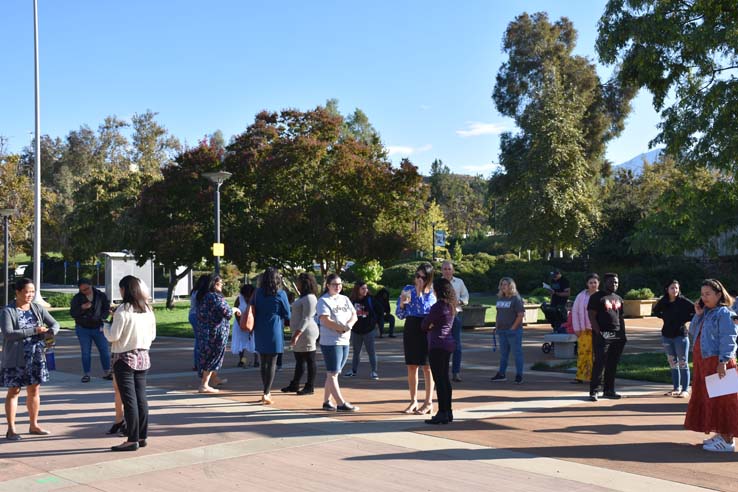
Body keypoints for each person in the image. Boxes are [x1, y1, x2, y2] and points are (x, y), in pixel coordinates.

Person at [1, 278, 60, 441]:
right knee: (14, 391)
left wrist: (50, 331)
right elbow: (8, 333)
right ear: (18, 292)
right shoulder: (8, 310)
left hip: (36, 355)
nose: (30, 295)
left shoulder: (37, 308)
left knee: (34, 390)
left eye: (32, 291)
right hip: (16, 357)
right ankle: (11, 429)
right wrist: (34, 330)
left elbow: (55, 323)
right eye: (27, 291)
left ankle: (34, 425)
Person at [684, 279, 738, 452]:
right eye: (702, 294)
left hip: (717, 362)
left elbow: (729, 337)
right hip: (704, 362)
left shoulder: (723, 313)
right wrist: (698, 314)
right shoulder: (707, 312)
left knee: (723, 400)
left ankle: (727, 440)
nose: (704, 297)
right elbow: (692, 331)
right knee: (711, 399)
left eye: (708, 294)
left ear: (718, 294)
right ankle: (721, 434)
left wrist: (723, 361)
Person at [103, 275, 156, 451]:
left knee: (129, 400)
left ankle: (131, 439)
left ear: (125, 290)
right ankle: (142, 436)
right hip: (143, 356)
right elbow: (153, 335)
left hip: (124, 358)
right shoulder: (147, 309)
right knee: (141, 398)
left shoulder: (122, 310)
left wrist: (105, 324)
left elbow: (113, 336)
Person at [396, 263, 437, 415]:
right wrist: (401, 303)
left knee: (427, 367)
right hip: (411, 327)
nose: (419, 279)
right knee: (411, 366)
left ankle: (428, 402)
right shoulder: (407, 289)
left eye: (423, 277)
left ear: (428, 278)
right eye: (417, 276)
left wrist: (419, 293)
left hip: (426, 329)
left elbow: (425, 311)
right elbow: (400, 314)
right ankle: (413, 401)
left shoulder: (432, 293)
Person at [317, 273, 359, 412]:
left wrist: (348, 326)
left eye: (340, 284)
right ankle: (340, 403)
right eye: (334, 284)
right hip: (330, 341)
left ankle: (326, 401)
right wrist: (340, 328)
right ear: (327, 285)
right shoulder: (323, 301)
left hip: (345, 340)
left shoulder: (345, 299)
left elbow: (354, 314)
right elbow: (325, 320)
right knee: (333, 372)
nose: (338, 287)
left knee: (334, 372)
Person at [251, 267, 290, 404]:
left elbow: (252, 307)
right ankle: (267, 392)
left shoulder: (257, 293)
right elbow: (287, 314)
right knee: (272, 362)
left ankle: (265, 391)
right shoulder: (281, 294)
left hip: (260, 328)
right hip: (274, 328)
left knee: (263, 362)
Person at [422, 277, 457, 425]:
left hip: (437, 344)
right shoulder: (451, 306)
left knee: (439, 379)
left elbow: (424, 325)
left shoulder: (438, 306)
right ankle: (448, 411)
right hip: (448, 343)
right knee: (445, 379)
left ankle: (442, 412)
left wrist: (429, 326)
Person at [652, 280, 695, 398]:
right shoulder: (664, 301)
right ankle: (676, 388)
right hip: (666, 336)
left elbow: (695, 310)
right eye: (672, 288)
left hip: (680, 336)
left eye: (676, 288)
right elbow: (656, 311)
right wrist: (664, 317)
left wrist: (686, 319)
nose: (675, 290)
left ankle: (685, 389)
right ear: (667, 289)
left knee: (683, 363)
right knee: (672, 363)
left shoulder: (683, 301)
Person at [196, 275, 239, 394]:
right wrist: (235, 309)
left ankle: (214, 379)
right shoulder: (214, 297)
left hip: (205, 331)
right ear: (214, 284)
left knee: (208, 356)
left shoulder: (203, 296)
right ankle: (204, 385)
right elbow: (227, 313)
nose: (222, 285)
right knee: (213, 357)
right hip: (216, 333)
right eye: (221, 283)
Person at [587, 273, 626, 402]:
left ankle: (609, 390)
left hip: (617, 334)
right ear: (605, 283)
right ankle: (594, 391)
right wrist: (598, 333)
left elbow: (620, 318)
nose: (614, 284)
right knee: (599, 362)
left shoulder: (619, 298)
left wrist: (623, 335)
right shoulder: (597, 297)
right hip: (603, 333)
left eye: (616, 282)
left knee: (612, 363)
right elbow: (592, 316)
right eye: (612, 282)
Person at [281, 273, 319, 395]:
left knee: (310, 359)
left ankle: (310, 386)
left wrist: (296, 335)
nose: (297, 283)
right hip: (300, 332)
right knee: (299, 360)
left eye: (298, 281)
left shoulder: (310, 298)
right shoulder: (303, 297)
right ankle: (295, 384)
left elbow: (307, 318)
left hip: (306, 333)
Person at [70, 278, 113, 383]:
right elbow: (73, 313)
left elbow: (106, 309)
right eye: (82, 290)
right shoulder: (77, 298)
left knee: (104, 351)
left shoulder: (100, 295)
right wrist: (82, 308)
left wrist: (102, 318)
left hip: (98, 327)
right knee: (85, 352)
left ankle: (108, 372)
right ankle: (86, 374)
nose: (85, 291)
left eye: (87, 288)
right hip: (83, 328)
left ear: (91, 285)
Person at [491, 277, 525, 384]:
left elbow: (520, 315)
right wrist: (496, 326)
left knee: (517, 353)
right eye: (502, 284)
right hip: (502, 331)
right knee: (503, 354)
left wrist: (513, 328)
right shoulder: (500, 299)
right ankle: (501, 374)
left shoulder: (516, 299)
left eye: (505, 284)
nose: (503, 286)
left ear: (511, 286)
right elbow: (498, 314)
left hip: (513, 332)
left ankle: (519, 375)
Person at [345, 280, 382, 380]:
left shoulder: (370, 299)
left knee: (371, 352)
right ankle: (353, 370)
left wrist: (375, 323)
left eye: (366, 288)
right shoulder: (351, 300)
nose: (365, 290)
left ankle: (374, 371)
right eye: (363, 288)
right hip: (356, 331)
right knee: (356, 352)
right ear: (357, 289)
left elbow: (380, 311)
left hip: (368, 331)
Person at [441, 261, 469, 382]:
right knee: (442, 346)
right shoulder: (438, 283)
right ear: (441, 270)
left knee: (456, 345)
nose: (447, 271)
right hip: (442, 316)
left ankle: (456, 372)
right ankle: (443, 372)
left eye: (449, 269)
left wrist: (459, 302)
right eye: (445, 269)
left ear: (453, 270)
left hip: (456, 315)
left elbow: (466, 296)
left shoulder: (459, 282)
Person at [571, 273, 600, 384]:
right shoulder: (581, 296)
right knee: (583, 353)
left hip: (597, 331)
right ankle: (581, 376)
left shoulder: (601, 296)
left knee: (598, 355)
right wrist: (577, 328)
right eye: (591, 282)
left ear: (599, 284)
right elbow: (575, 312)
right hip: (584, 330)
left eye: (595, 282)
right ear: (587, 284)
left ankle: (597, 377)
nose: (593, 285)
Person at [189, 275, 210, 371]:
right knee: (200, 341)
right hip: (198, 317)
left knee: (198, 340)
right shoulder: (201, 293)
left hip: (192, 315)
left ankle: (197, 363)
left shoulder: (194, 291)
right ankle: (198, 364)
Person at [231, 284, 256, 367]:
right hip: (240, 324)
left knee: (254, 341)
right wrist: (241, 324)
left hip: (252, 323)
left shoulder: (255, 298)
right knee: (241, 343)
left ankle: (256, 360)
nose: (247, 297)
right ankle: (242, 360)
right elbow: (236, 312)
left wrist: (252, 327)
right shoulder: (239, 299)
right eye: (246, 295)